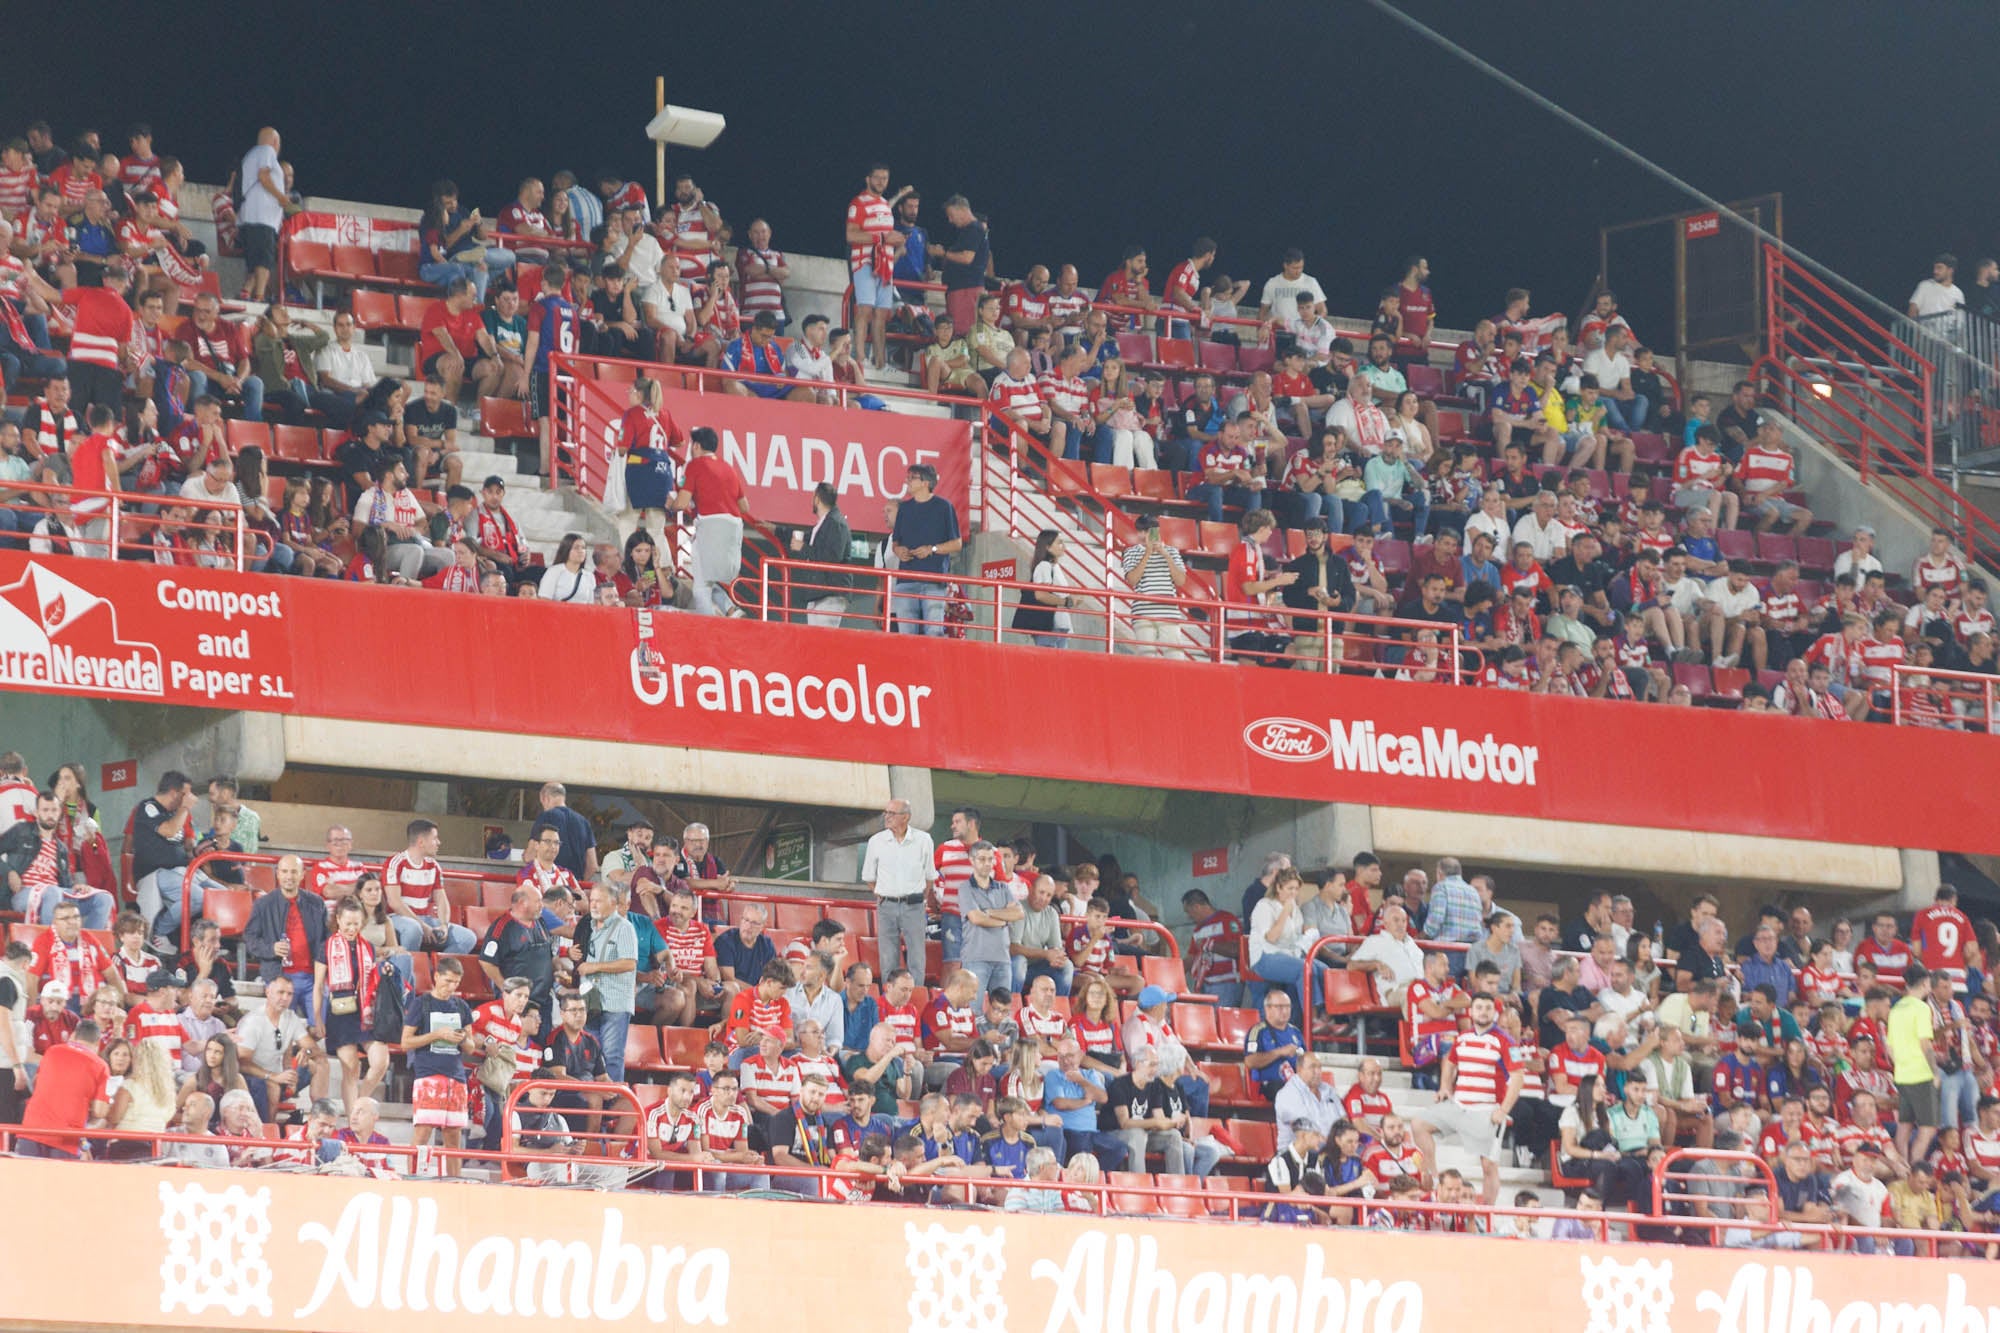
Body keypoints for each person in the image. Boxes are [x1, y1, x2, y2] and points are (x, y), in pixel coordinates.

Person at [1410, 993, 1520, 1203]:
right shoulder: (1462, 1038)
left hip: (1487, 1110)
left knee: (1488, 1166)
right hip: (1459, 1105)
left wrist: (1503, 1111)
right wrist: (1444, 1087)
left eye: (1488, 1008)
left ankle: (1486, 1217)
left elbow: (1518, 1078)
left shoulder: (1505, 1041)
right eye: (1479, 1007)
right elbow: (1450, 1062)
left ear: (1494, 1013)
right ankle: (1434, 1181)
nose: (1483, 1012)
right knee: (1418, 1124)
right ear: (1471, 1011)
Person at [673, 426, 752, 617]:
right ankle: (731, 610)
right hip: (733, 527)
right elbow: (745, 507)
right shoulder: (729, 468)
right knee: (709, 577)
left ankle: (708, 627)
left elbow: (681, 503)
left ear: (697, 446)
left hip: (710, 524)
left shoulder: (696, 465)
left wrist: (671, 503)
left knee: (700, 586)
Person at [17, 1019, 108, 1158]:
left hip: (32, 1130)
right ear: (98, 1043)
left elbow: (36, 1084)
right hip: (66, 1138)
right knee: (59, 1180)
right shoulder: (101, 1066)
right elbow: (100, 1111)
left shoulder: (52, 1051)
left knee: (25, 1179)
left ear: (74, 1036)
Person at [889, 462, 962, 636]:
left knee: (934, 631)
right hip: (906, 580)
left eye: (912, 478)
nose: (907, 481)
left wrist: (933, 549)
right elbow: (895, 542)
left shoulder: (944, 507)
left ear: (925, 483)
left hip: (934, 581)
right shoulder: (904, 509)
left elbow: (957, 543)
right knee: (906, 633)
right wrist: (899, 551)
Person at [236, 128, 294, 302]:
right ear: (275, 142)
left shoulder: (249, 156)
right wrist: (281, 197)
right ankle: (259, 297)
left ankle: (246, 291)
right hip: (262, 218)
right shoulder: (266, 151)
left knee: (255, 262)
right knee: (264, 262)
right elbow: (264, 176)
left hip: (250, 217)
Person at [794, 483, 852, 628]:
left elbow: (832, 557)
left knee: (824, 644)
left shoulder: (836, 523)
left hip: (830, 594)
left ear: (817, 499)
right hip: (819, 594)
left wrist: (803, 548)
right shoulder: (825, 523)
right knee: (815, 644)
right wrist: (776, 529)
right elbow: (806, 538)